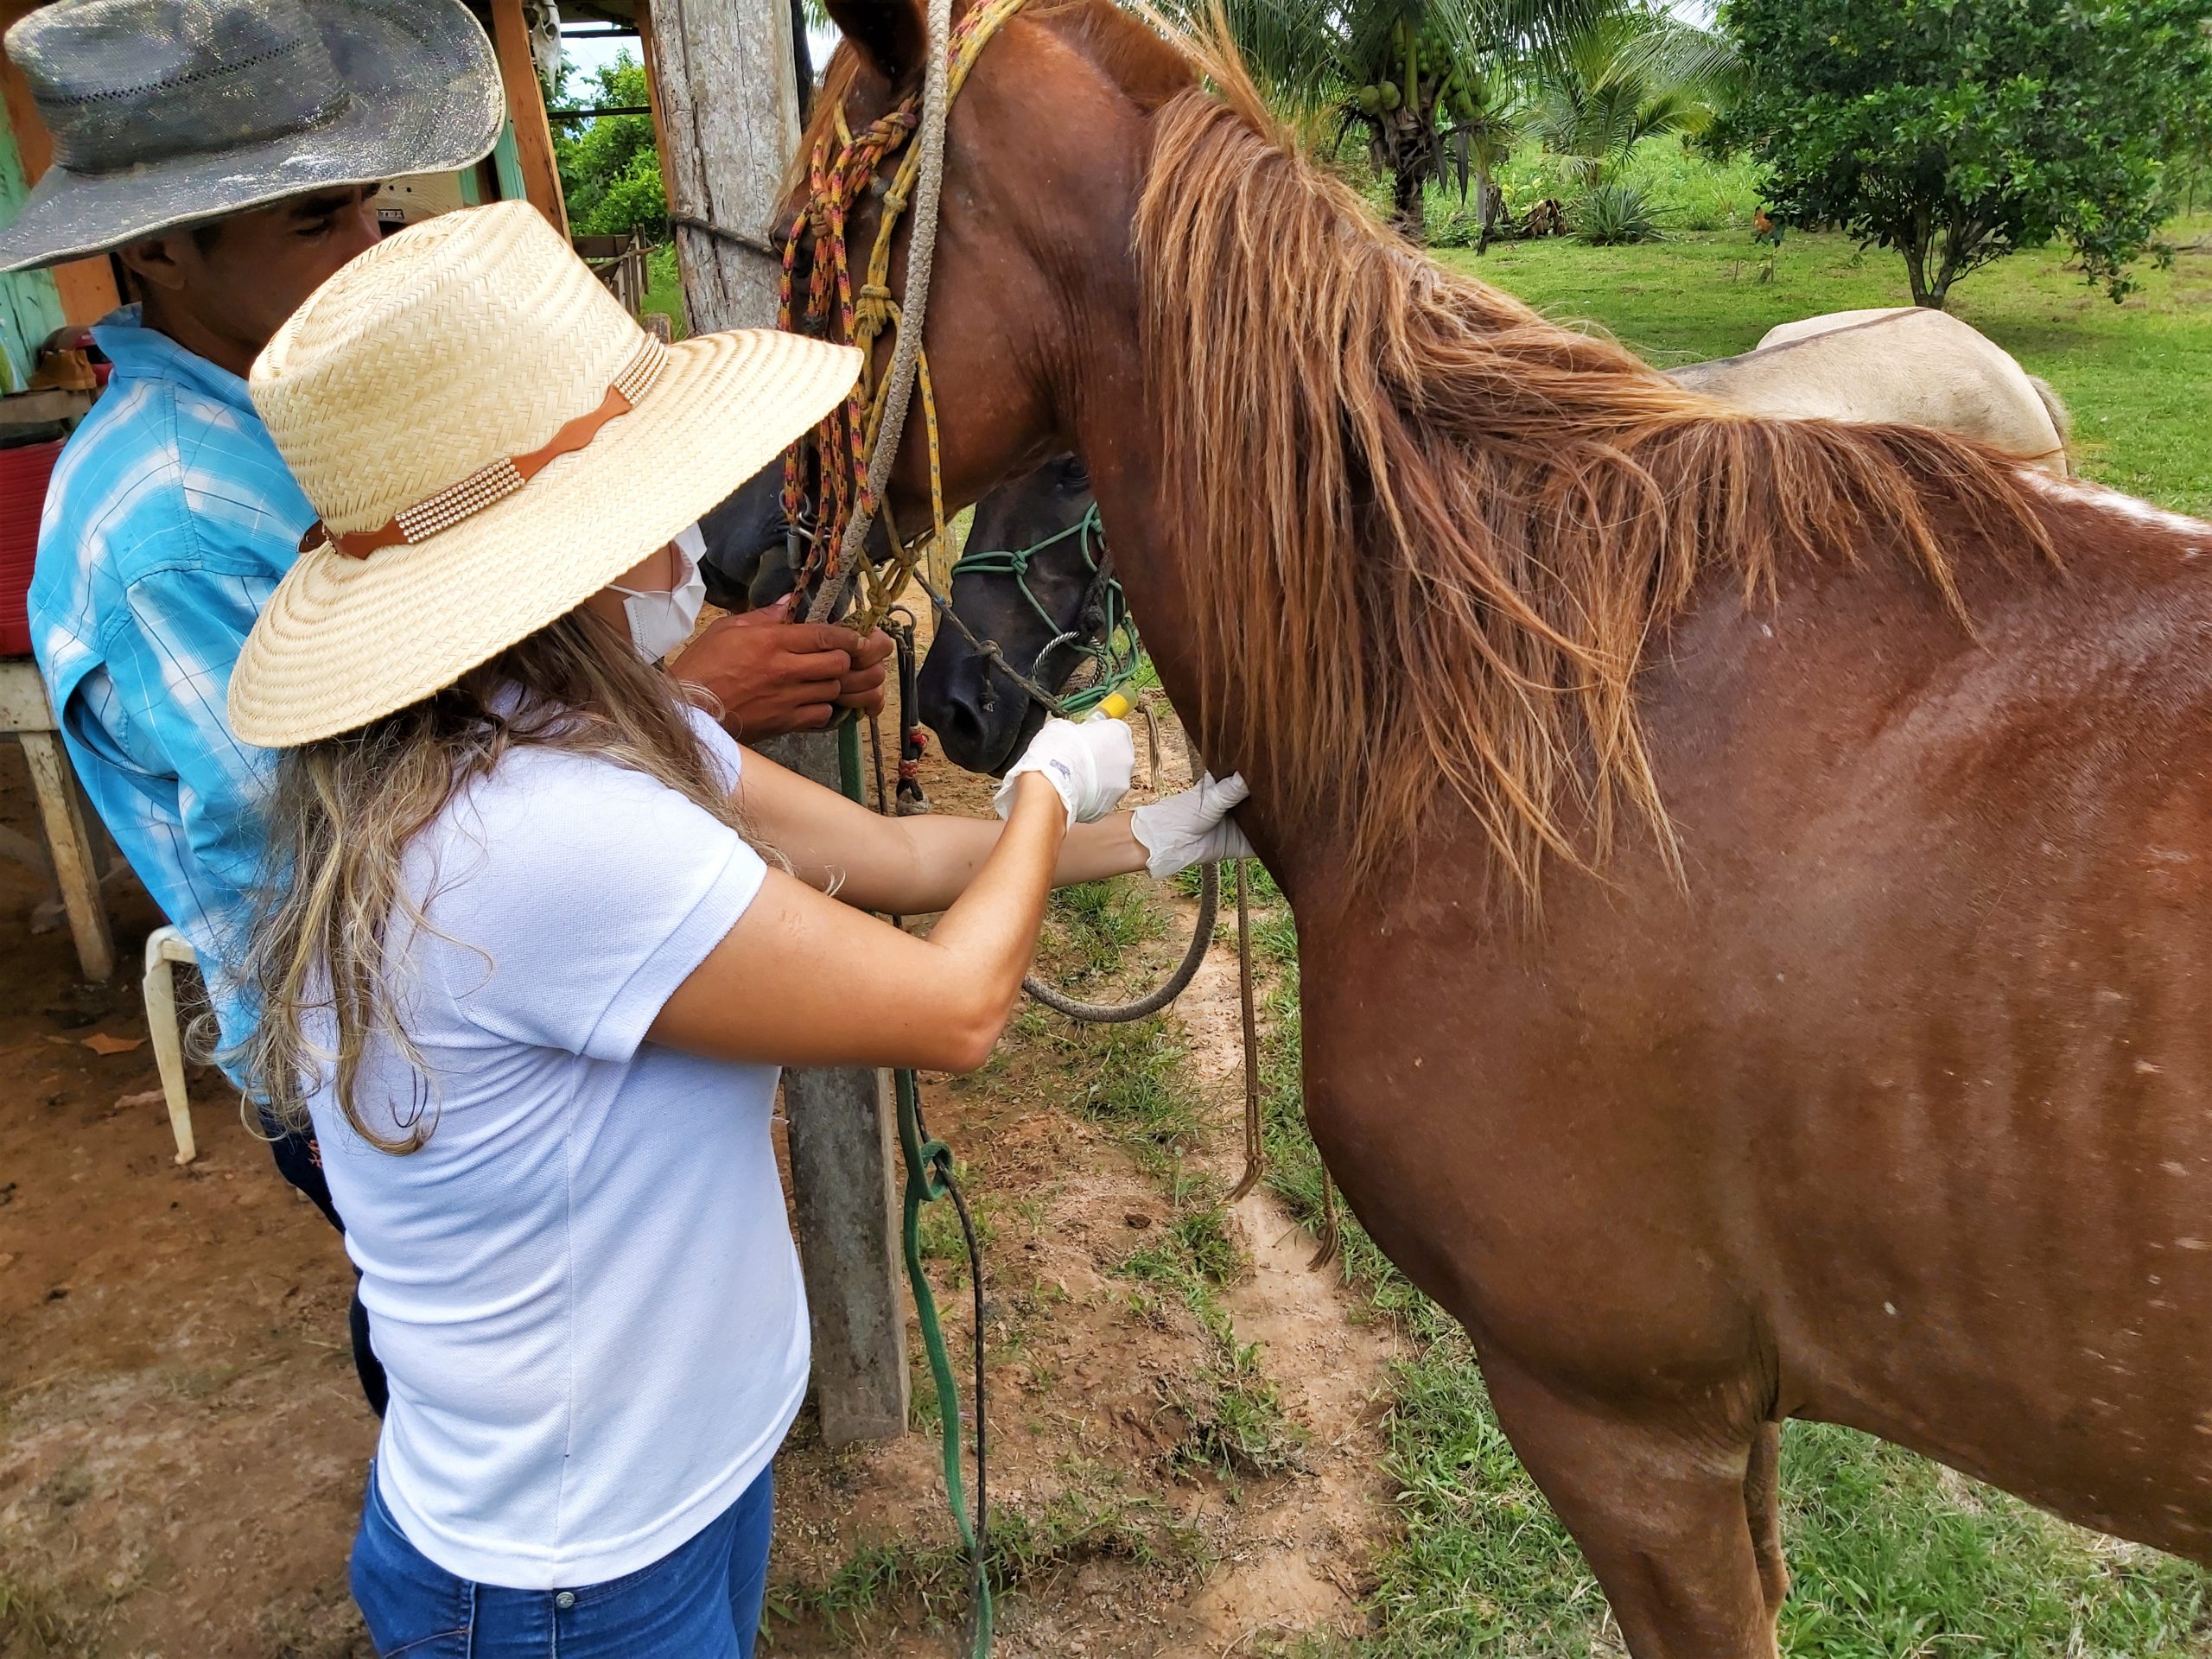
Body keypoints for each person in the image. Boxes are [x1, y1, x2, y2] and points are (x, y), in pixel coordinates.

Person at [224, 200, 1249, 1656]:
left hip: (660, 1491)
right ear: (568, 562)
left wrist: (1130, 840)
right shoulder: (537, 833)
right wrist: (1036, 791)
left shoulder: (559, 731)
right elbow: (954, 1009)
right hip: (565, 1579)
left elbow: (888, 852)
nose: (692, 539)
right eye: (656, 505)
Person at [3, 0, 885, 1408]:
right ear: (165, 251)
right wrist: (676, 700)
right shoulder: (172, 517)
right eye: (319, 225)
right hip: (390, 1031)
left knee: (589, 1315)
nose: (367, 254)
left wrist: (668, 679)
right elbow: (343, 833)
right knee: (498, 1353)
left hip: (494, 975)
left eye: (369, 210)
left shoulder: (328, 428)